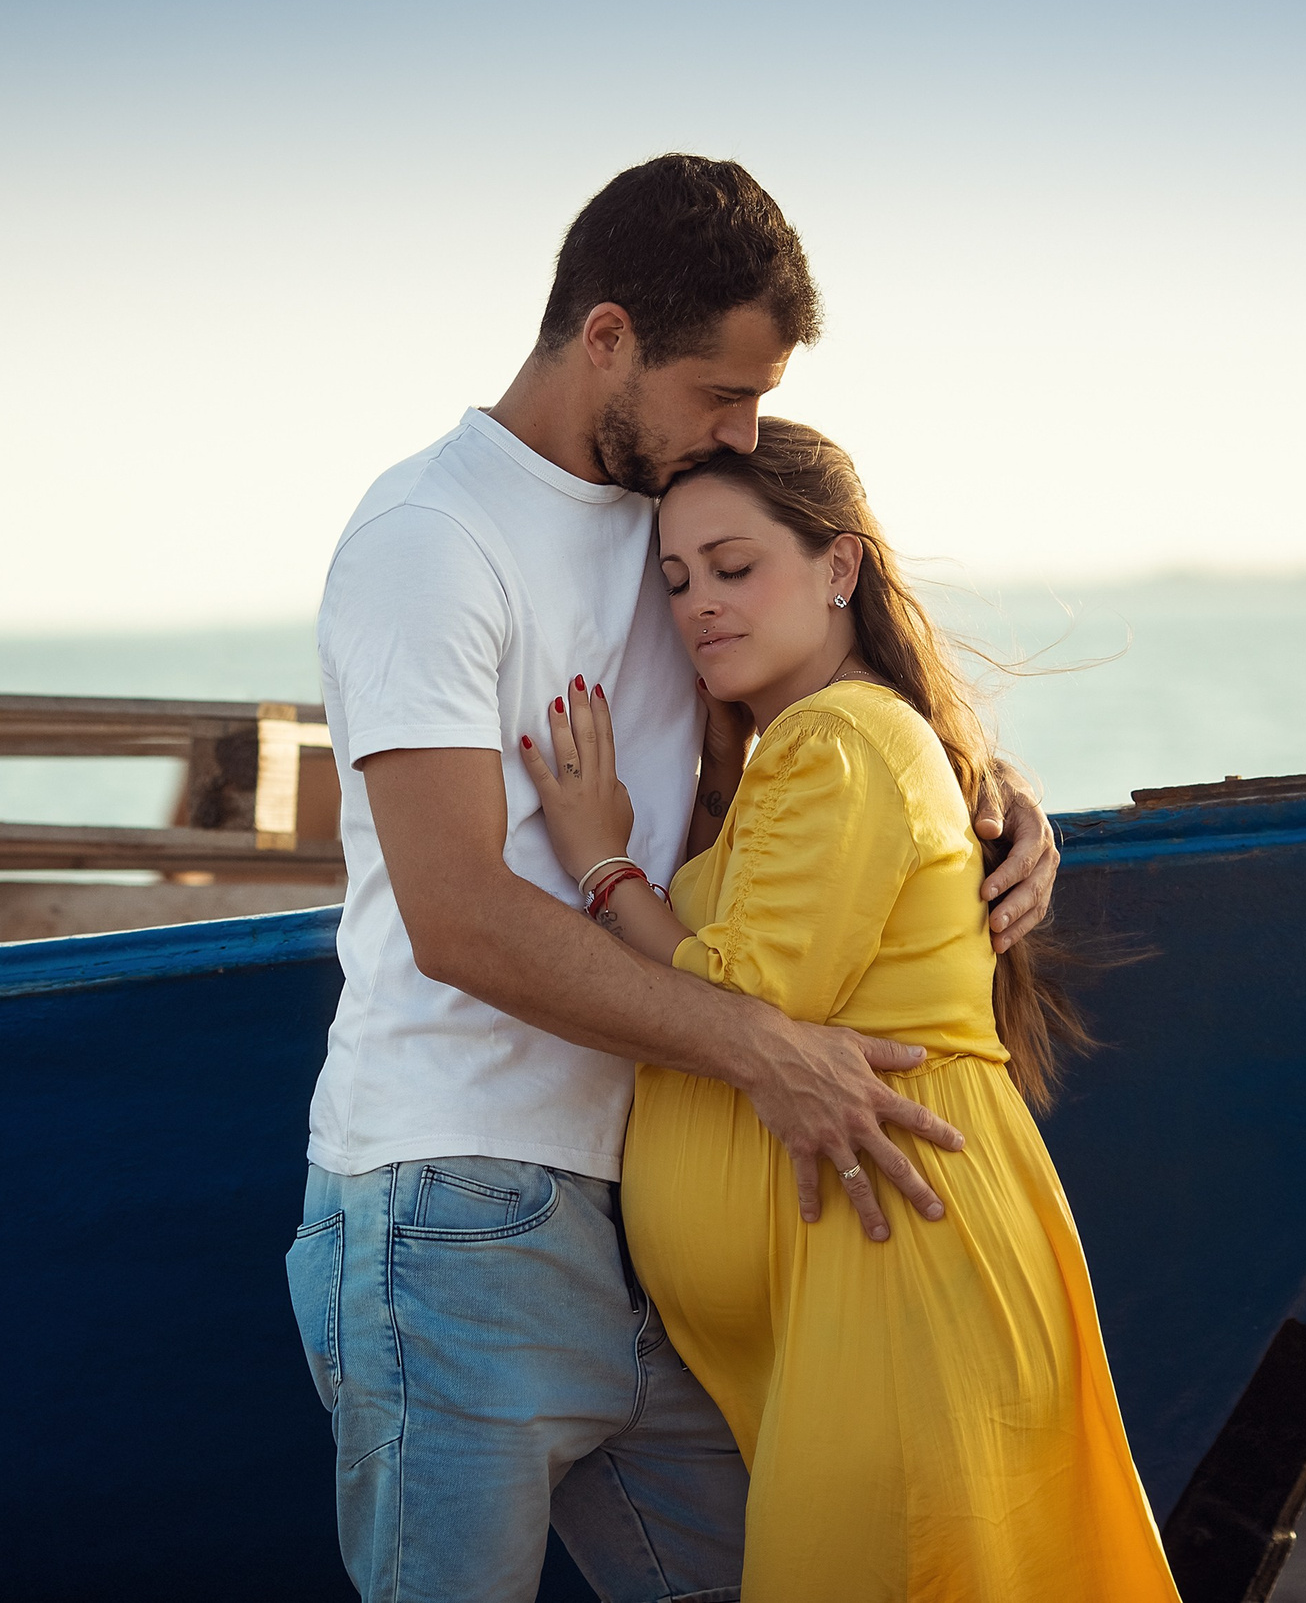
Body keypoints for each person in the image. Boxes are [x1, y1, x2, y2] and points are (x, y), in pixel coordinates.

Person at [290, 155, 1063, 1603]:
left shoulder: (670, 526)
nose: (746, 426)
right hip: (454, 1203)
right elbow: (456, 914)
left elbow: (798, 728)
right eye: (723, 393)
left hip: (634, 1201)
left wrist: (981, 800)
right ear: (606, 339)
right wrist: (770, 1052)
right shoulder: (429, 540)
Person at [516, 421, 1180, 1602]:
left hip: (895, 1278)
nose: (700, 606)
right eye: (674, 583)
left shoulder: (840, 736)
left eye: (734, 566)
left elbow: (741, 1000)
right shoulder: (822, 742)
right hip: (861, 1291)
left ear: (839, 567)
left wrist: (599, 862)